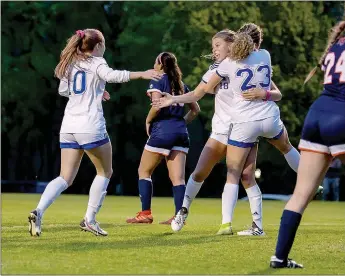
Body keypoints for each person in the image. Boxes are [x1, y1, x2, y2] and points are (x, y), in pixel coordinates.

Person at [155, 24, 301, 236]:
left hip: (244, 126)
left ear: (232, 45)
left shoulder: (243, 62)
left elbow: (274, 91)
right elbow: (198, 93)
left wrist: (265, 94)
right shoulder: (218, 68)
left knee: (246, 176)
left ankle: (248, 225)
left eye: (217, 45)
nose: (214, 50)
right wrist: (174, 99)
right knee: (200, 172)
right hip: (223, 128)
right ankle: (183, 210)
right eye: (212, 46)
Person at [28, 29, 162, 237]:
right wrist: (142, 74)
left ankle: (38, 211)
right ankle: (89, 220)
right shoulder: (98, 62)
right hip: (90, 126)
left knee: (65, 176)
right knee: (105, 172)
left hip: (69, 127)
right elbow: (113, 76)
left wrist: (96, 90)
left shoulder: (71, 63)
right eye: (104, 44)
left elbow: (64, 91)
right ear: (98, 46)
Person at [269, 21, 345, 269]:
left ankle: (279, 258)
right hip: (341, 116)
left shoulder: (336, 46)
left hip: (317, 115)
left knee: (301, 194)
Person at [126, 52, 200, 224]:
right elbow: (195, 110)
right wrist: (181, 122)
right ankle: (178, 217)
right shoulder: (182, 85)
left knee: (144, 171)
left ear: (160, 64)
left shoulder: (158, 81)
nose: (154, 65)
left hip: (162, 131)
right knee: (178, 179)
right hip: (181, 133)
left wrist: (148, 120)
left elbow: (157, 105)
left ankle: (145, 214)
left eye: (155, 62)